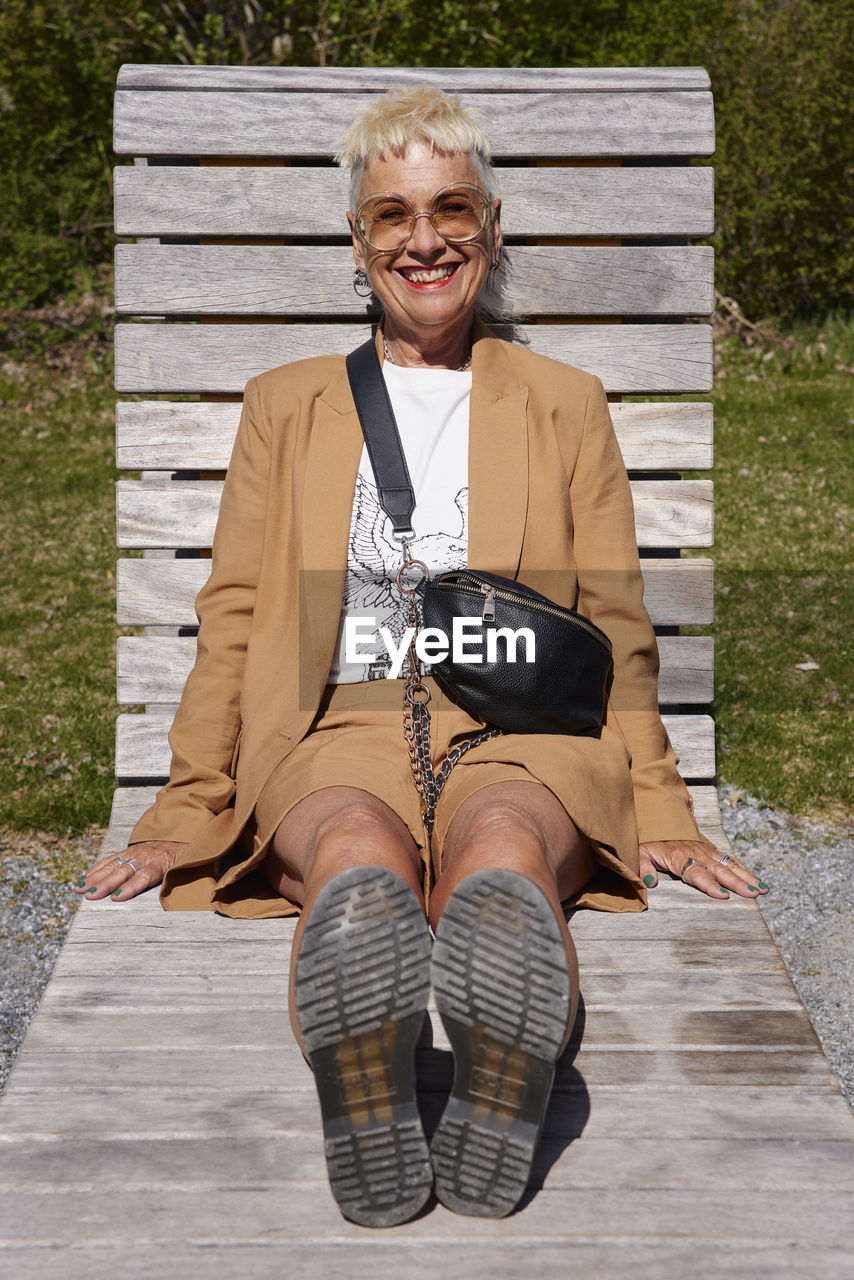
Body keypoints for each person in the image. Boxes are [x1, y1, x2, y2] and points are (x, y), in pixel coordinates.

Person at [76, 86, 769, 1227]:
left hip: (521, 727)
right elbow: (235, 617)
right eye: (391, 214)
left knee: (500, 855)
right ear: (357, 241)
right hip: (337, 721)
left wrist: (658, 806)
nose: (424, 237)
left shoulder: (561, 404)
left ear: (489, 229)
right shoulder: (285, 406)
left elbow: (613, 620)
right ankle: (371, 1076)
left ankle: (499, 1056)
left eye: (451, 208)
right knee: (353, 858)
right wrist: (182, 808)